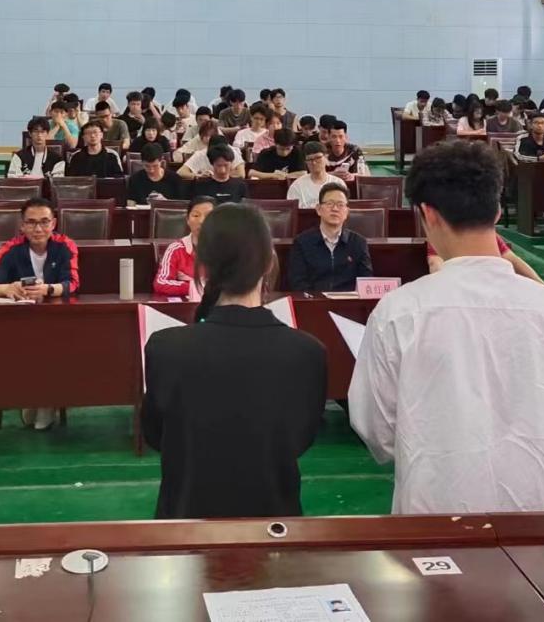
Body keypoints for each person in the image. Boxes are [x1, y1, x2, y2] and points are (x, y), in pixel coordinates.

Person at [348, 141, 544, 514]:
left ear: (427, 214)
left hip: (433, 519)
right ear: (497, 212)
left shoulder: (399, 312)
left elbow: (376, 430)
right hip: (537, 519)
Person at [142, 203, 327, 518]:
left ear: (204, 264)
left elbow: (156, 435)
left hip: (184, 524)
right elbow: (299, 439)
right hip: (274, 525)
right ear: (269, 262)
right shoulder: (307, 352)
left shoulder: (164, 348)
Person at [0, 197, 80, 432]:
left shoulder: (65, 246)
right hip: (20, 322)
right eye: (31, 223)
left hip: (57, 320)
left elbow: (73, 283)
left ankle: (46, 401)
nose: (38, 229)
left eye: (44, 222)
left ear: (53, 223)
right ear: (22, 225)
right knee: (25, 343)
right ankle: (29, 397)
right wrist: (7, 288)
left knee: (54, 343)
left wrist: (48, 289)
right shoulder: (10, 248)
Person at [287, 183, 372, 293]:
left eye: (340, 205)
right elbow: (298, 283)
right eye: (329, 203)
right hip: (313, 301)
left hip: (348, 301)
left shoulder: (358, 243)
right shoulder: (302, 243)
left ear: (347, 212)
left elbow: (366, 281)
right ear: (318, 209)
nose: (335, 209)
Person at [152, 196, 215, 296]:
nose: (201, 221)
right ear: (187, 220)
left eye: (208, 216)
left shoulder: (226, 249)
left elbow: (234, 283)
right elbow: (160, 282)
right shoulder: (176, 249)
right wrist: (195, 288)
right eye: (196, 215)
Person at [287, 142, 344, 208]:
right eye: (310, 159)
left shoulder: (338, 183)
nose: (314, 162)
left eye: (318, 158)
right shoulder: (297, 186)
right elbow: (292, 211)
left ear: (326, 157)